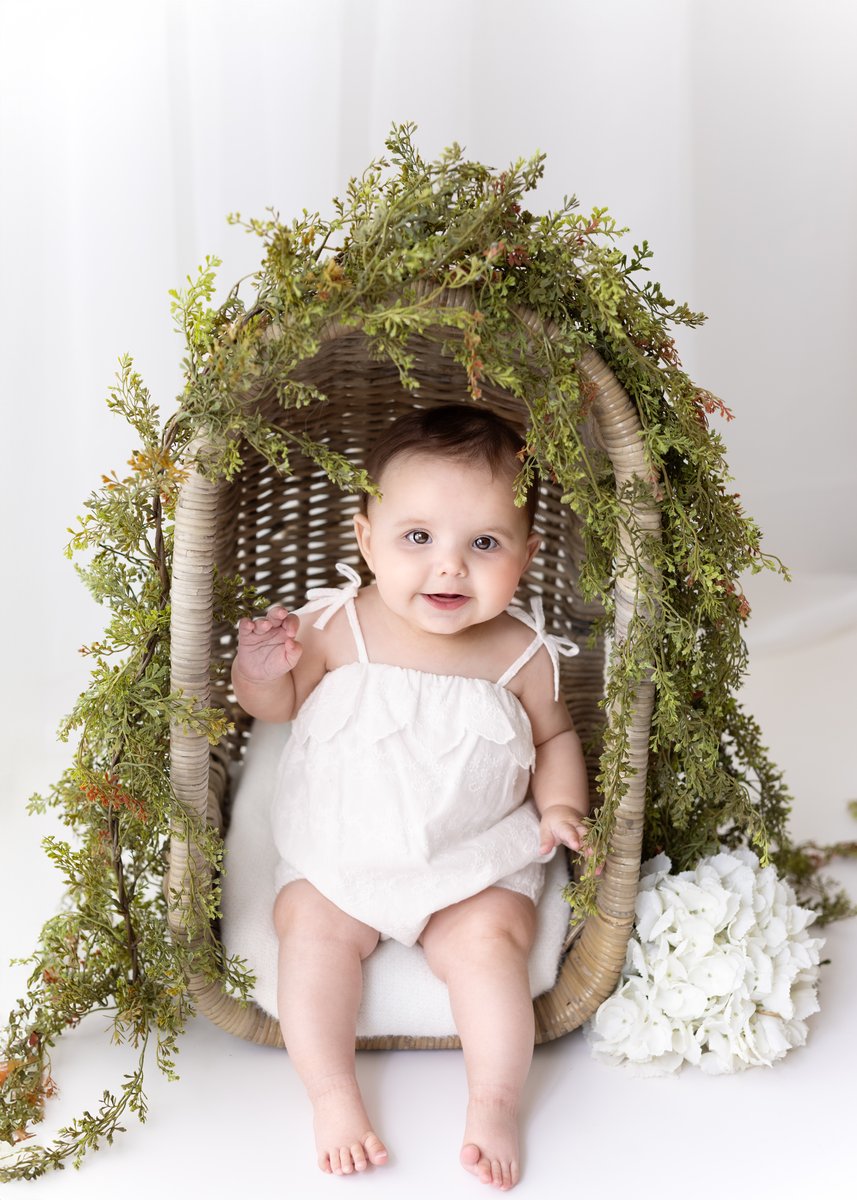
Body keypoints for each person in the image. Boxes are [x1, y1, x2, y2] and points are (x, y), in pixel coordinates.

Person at [231, 404, 592, 1191]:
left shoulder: (521, 654)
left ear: (526, 556)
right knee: (310, 932)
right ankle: (331, 1095)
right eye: (417, 538)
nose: (449, 567)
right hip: (342, 850)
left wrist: (561, 807)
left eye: (484, 544)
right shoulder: (337, 626)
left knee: (488, 947)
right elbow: (276, 707)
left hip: (471, 860)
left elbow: (555, 740)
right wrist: (260, 669)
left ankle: (495, 1099)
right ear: (366, 539)